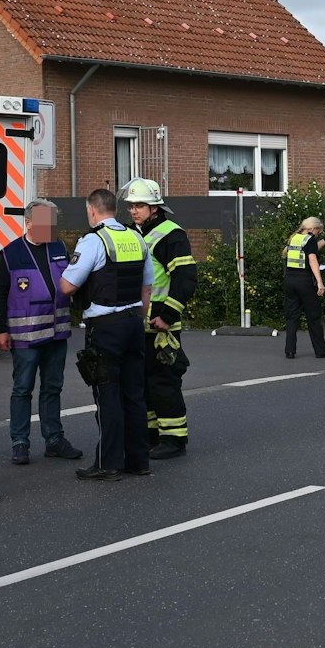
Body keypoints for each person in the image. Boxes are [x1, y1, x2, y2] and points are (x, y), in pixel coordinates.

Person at [60, 187, 154, 481]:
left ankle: (109, 462)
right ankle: (139, 461)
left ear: (92, 210)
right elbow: (147, 286)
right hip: (133, 324)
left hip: (106, 327)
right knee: (135, 394)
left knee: (107, 394)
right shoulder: (136, 237)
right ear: (116, 209)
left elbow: (67, 287)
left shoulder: (93, 240)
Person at [0, 199, 82, 465]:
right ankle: (20, 442)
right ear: (29, 223)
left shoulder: (59, 248)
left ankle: (54, 439)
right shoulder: (10, 253)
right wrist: (0, 330)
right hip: (26, 336)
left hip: (57, 333)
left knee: (53, 387)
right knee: (22, 389)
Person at [123, 178, 198, 460]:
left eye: (140, 205)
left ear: (155, 207)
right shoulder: (132, 233)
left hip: (162, 326)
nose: (134, 211)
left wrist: (168, 314)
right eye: (131, 206)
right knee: (142, 381)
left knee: (163, 382)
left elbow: (186, 279)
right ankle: (151, 434)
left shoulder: (171, 235)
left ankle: (174, 438)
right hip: (138, 325)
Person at [283, 216, 325, 358]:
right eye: (319, 231)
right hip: (304, 281)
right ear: (314, 228)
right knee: (313, 316)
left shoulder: (295, 238)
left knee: (292, 316)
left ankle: (290, 350)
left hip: (289, 280)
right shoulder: (310, 239)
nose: (318, 234)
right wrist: (320, 282)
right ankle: (320, 351)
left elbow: (311, 249)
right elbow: (312, 260)